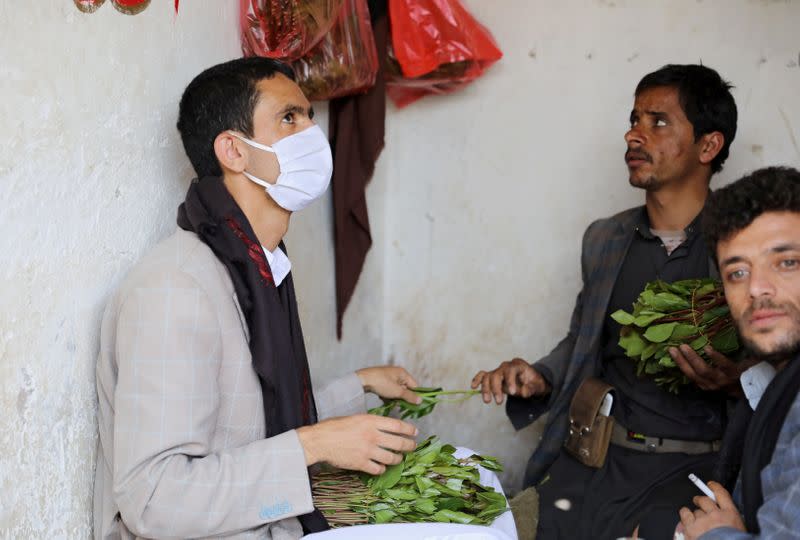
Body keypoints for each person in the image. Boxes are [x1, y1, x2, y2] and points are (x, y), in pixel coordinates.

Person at [93, 57, 421, 539]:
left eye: (310, 116)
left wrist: (360, 384)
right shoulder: (175, 290)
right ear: (234, 151)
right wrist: (314, 444)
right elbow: (155, 500)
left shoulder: (257, 266)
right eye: (290, 118)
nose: (312, 133)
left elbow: (252, 417)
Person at [471, 64, 741, 539]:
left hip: (692, 472)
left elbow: (777, 370)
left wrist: (734, 380)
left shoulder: (740, 246)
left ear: (708, 145)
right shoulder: (606, 239)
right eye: (635, 119)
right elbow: (584, 339)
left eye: (658, 122)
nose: (634, 135)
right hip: (594, 463)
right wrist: (541, 376)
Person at [677, 166, 800, 539]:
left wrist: (716, 534)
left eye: (787, 262)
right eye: (737, 273)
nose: (757, 289)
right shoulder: (779, 382)